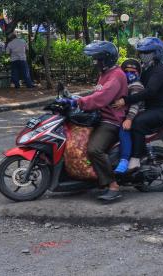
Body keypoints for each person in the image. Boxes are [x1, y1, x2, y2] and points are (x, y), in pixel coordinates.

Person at [60, 41, 128, 202]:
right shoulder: (105, 73)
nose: (95, 62)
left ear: (106, 59)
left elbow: (101, 98)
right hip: (99, 117)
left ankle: (113, 185)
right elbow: (96, 93)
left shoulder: (116, 76)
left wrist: (78, 102)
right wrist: (75, 97)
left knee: (94, 149)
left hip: (111, 120)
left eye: (97, 59)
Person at [113, 37, 163, 171]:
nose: (143, 55)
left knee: (138, 122)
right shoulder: (145, 68)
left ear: (156, 53)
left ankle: (136, 158)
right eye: (141, 52)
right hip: (149, 108)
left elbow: (149, 92)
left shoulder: (160, 70)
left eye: (147, 53)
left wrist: (125, 100)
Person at [114, 59, 145, 174]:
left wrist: (129, 119)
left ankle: (124, 160)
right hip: (125, 114)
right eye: (126, 71)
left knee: (124, 130)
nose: (130, 74)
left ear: (138, 73)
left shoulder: (136, 85)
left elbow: (135, 105)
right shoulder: (124, 84)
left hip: (136, 114)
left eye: (133, 71)